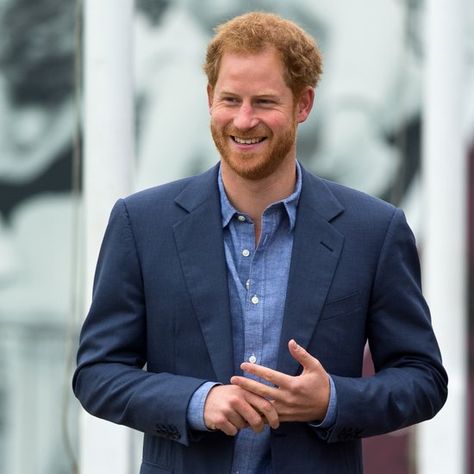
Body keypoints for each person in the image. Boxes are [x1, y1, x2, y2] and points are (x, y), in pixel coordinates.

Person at [73, 12, 448, 474]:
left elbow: (423, 380)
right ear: (210, 98)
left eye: (264, 102)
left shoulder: (374, 229)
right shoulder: (140, 223)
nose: (244, 120)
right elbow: (97, 374)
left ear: (303, 104)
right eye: (230, 99)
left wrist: (331, 400)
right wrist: (197, 401)